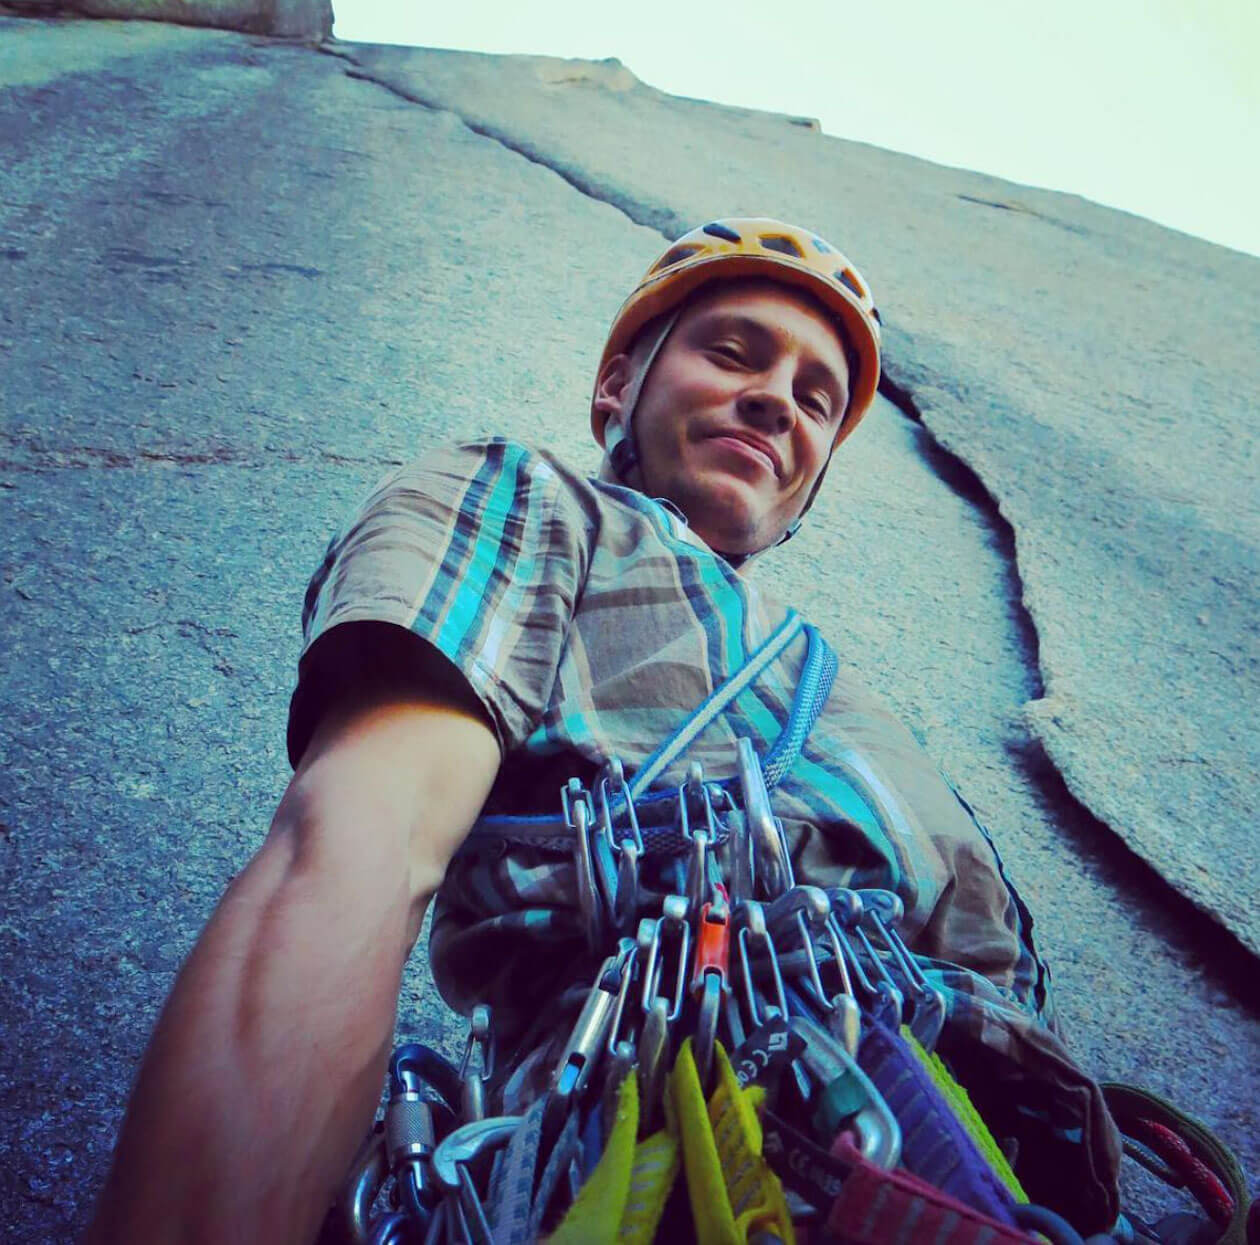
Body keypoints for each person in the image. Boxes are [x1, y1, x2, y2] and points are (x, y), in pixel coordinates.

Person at [86, 218, 1120, 1244]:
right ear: (617, 386)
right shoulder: (527, 502)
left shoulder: (865, 715)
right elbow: (359, 841)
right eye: (733, 352)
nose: (778, 400)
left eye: (818, 398)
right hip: (682, 1141)